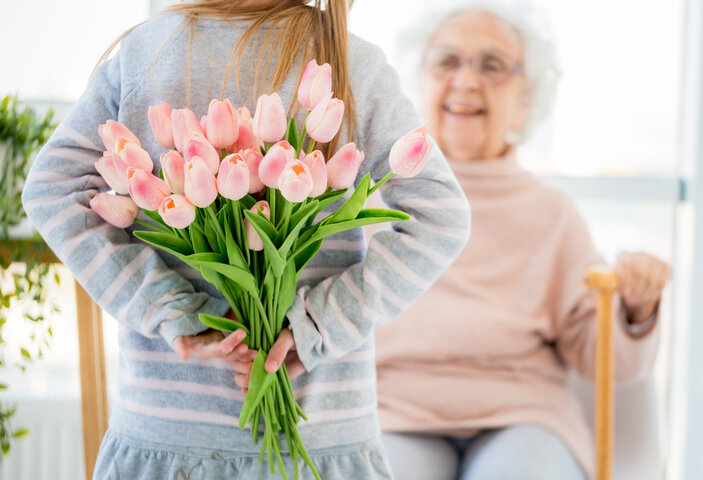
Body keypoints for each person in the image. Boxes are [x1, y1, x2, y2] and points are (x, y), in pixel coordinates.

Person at [21, 1, 471, 478]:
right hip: (322, 442)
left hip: (167, 439)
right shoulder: (350, 62)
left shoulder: (149, 52)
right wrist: (318, 324)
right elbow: (441, 217)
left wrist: (171, 308)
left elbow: (53, 189)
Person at [374, 2, 671, 480]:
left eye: (492, 65)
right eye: (447, 60)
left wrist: (635, 311)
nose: (467, 81)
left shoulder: (552, 213)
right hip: (392, 413)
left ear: (527, 96)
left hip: (523, 419)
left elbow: (602, 362)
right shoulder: (369, 198)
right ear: (419, 79)